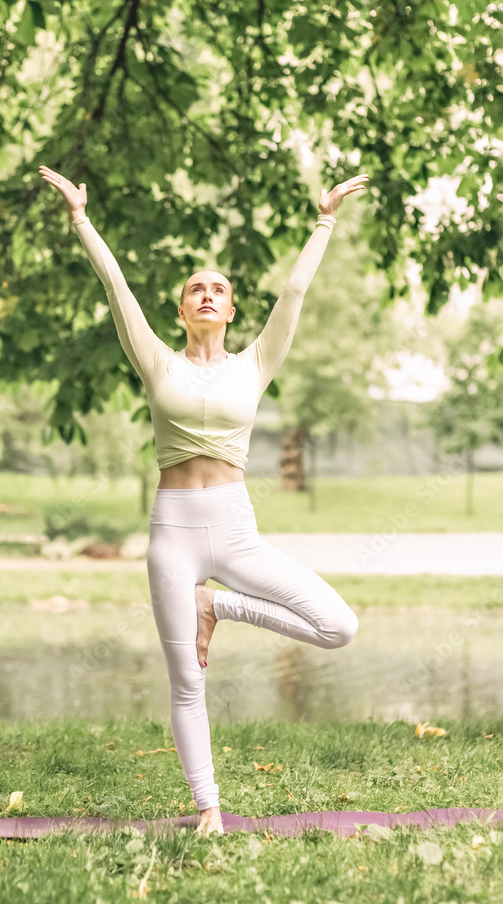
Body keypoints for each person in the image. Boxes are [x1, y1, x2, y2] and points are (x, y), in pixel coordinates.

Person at [39, 163, 369, 837]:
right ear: (183, 309)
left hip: (236, 531)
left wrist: (324, 218)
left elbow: (296, 291)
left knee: (339, 627)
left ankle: (217, 604)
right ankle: (208, 810)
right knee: (187, 679)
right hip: (173, 533)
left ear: (232, 308)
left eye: (219, 288)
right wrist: (80, 218)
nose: (209, 294)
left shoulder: (254, 363)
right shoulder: (157, 360)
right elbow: (116, 286)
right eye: (197, 288)